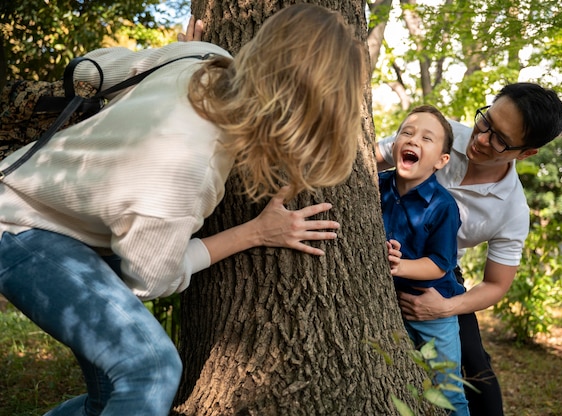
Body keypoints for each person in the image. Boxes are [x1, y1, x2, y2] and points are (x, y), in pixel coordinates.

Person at [0, 4, 365, 416]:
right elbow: (149, 280)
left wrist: (165, 63)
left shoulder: (200, 57)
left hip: (38, 208)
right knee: (147, 370)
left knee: (109, 400)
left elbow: (90, 70)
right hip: (20, 226)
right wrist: (255, 233)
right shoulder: (188, 171)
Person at [376, 83, 562, 416]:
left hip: (438, 270)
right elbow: (363, 160)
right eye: (486, 122)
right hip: (385, 246)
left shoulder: (512, 209)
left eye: (500, 140)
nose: (481, 139)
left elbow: (496, 284)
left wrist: (446, 307)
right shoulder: (436, 136)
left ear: (525, 153)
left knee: (475, 370)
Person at [379, 105, 469, 415]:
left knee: (446, 390)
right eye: (406, 132)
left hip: (433, 311)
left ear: (441, 161)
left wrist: (399, 266)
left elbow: (440, 263)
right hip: (389, 306)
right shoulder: (377, 186)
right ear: (395, 146)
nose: (413, 139)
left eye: (427, 138)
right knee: (401, 382)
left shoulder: (442, 206)